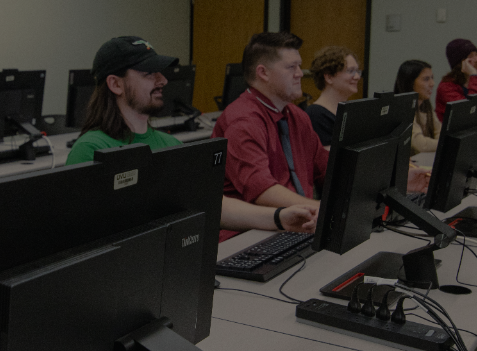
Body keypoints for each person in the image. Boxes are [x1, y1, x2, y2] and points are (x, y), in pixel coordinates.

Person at [66, 36, 317, 236]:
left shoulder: (171, 144)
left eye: (160, 72)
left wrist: (279, 218)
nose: (163, 80)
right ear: (115, 84)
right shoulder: (91, 149)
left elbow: (211, 204)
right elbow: (82, 234)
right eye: (148, 74)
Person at [212, 32, 329, 216]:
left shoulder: (297, 116)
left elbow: (326, 169)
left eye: (299, 66)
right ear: (263, 73)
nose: (300, 74)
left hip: (299, 223)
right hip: (251, 231)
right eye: (291, 67)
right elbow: (262, 190)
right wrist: (320, 210)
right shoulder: (243, 122)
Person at [435, 38, 477, 129]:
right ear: (460, 63)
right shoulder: (446, 87)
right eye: (471, 56)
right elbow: (470, 115)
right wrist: (473, 75)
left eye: (476, 54)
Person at [306, 46, 362, 147]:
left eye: (357, 71)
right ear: (329, 77)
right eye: (350, 71)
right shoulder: (316, 116)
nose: (357, 77)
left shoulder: (348, 112)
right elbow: (330, 160)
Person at [395, 60, 441, 155]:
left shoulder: (426, 106)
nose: (432, 83)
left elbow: (440, 132)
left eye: (432, 78)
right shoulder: (402, 109)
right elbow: (420, 145)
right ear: (410, 83)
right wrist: (445, 144)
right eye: (426, 79)